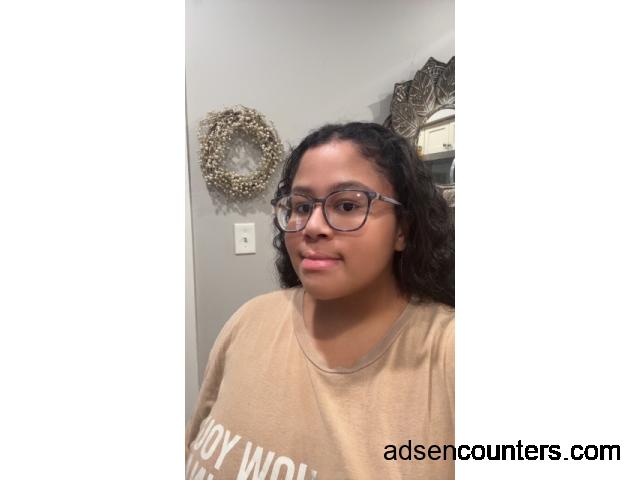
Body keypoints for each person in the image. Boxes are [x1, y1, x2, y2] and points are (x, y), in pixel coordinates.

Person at [186, 122, 455, 479]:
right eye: (300, 206)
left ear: (402, 229)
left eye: (346, 205)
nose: (311, 226)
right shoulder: (249, 319)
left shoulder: (447, 352)